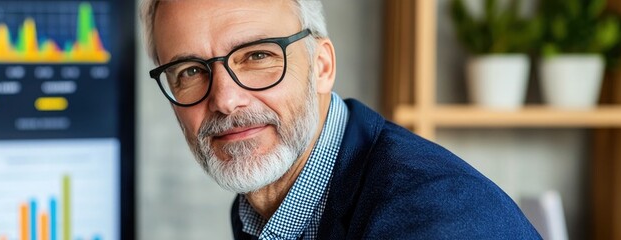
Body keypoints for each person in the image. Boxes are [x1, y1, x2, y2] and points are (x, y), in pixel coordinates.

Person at [140, 0, 540, 239]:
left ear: (322, 66)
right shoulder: (261, 208)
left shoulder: (435, 218)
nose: (225, 100)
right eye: (190, 71)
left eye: (257, 56)